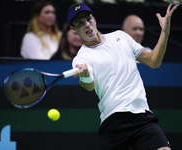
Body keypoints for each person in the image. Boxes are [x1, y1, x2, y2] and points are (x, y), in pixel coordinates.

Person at [68, 3, 178, 150]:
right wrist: (86, 76)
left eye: (88, 19)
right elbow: (89, 85)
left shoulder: (120, 37)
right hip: (113, 123)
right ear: (73, 29)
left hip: (142, 117)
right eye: (80, 23)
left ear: (94, 19)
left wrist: (165, 31)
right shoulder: (81, 58)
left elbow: (153, 61)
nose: (87, 25)